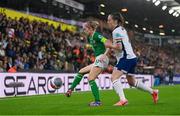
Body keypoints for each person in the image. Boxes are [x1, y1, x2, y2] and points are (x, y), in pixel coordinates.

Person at [106, 12, 159, 106]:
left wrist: (109, 44)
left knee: (114, 77)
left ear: (115, 21)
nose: (107, 22)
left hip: (126, 58)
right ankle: (153, 92)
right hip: (131, 57)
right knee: (131, 81)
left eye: (109, 20)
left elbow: (119, 47)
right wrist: (112, 48)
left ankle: (123, 100)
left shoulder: (116, 31)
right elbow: (121, 46)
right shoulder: (122, 29)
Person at [65, 21, 111, 106]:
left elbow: (108, 43)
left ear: (90, 29)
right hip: (98, 59)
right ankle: (70, 89)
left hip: (102, 59)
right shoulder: (90, 38)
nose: (84, 30)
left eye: (85, 29)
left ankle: (97, 102)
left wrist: (104, 55)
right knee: (81, 71)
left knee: (91, 78)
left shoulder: (97, 35)